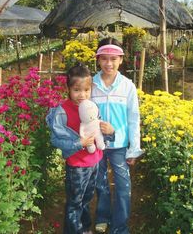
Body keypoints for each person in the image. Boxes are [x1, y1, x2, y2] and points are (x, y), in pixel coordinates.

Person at [46, 63, 114, 234]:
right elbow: (55, 139)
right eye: (77, 90)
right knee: (74, 203)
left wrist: (108, 131)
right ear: (68, 89)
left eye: (86, 90)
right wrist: (79, 143)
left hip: (95, 162)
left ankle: (83, 228)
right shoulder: (62, 111)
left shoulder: (91, 106)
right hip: (77, 165)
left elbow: (97, 129)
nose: (82, 95)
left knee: (86, 199)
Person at [92, 38, 144, 234]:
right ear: (98, 60)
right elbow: (86, 115)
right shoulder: (92, 84)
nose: (108, 63)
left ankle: (120, 226)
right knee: (100, 183)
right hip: (97, 145)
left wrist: (133, 148)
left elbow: (133, 118)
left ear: (121, 60)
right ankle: (102, 217)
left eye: (113, 59)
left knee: (123, 186)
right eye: (104, 58)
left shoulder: (127, 86)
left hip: (120, 146)